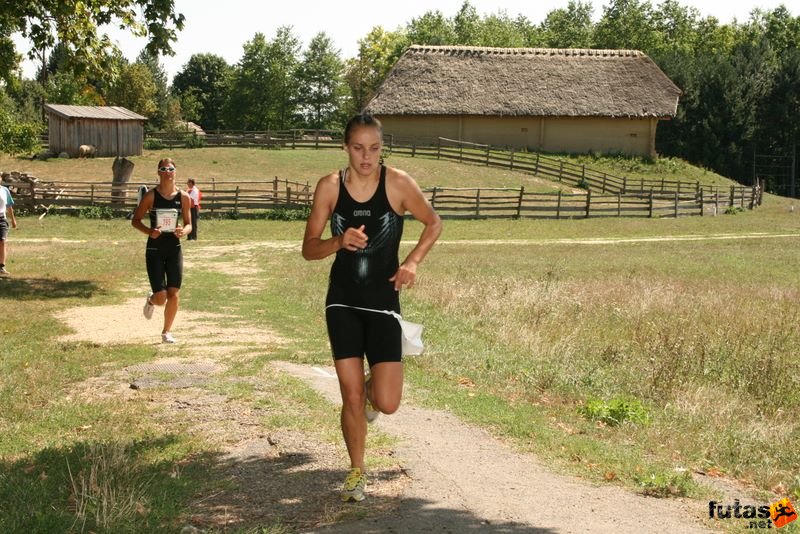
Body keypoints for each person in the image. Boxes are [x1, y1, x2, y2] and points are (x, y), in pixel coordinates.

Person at [302, 113, 442, 502]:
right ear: (346, 147)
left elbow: (433, 223)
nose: (366, 157)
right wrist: (336, 241)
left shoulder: (397, 183)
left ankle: (370, 393)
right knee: (348, 395)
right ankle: (356, 473)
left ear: (383, 148)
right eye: (359, 148)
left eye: (375, 148)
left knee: (388, 402)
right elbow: (308, 248)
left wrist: (411, 262)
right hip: (342, 302)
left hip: (383, 305)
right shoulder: (329, 188)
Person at [131, 158, 192, 343]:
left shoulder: (183, 197)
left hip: (174, 249)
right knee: (161, 298)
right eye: (164, 169)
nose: (168, 172)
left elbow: (189, 225)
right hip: (155, 249)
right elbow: (135, 220)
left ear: (175, 172)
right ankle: (151, 300)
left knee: (173, 294)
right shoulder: (151, 196)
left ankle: (166, 332)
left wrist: (183, 231)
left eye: (171, 169)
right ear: (158, 172)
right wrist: (150, 232)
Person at [0, 184, 18, 276]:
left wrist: (13, 220)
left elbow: (9, 206)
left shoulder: (4, 190)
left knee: (2, 241)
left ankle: (1, 266)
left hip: (2, 219)